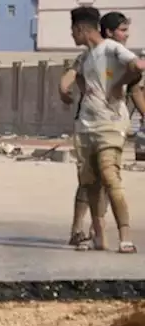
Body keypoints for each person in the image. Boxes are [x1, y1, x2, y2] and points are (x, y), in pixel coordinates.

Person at [60, 5, 145, 252]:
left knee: (110, 177)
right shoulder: (86, 57)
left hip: (110, 125)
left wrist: (118, 83)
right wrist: (63, 89)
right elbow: (71, 75)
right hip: (86, 126)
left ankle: (124, 237)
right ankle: (93, 235)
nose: (126, 34)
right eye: (123, 30)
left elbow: (137, 71)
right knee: (89, 183)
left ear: (79, 29)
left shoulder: (114, 50)